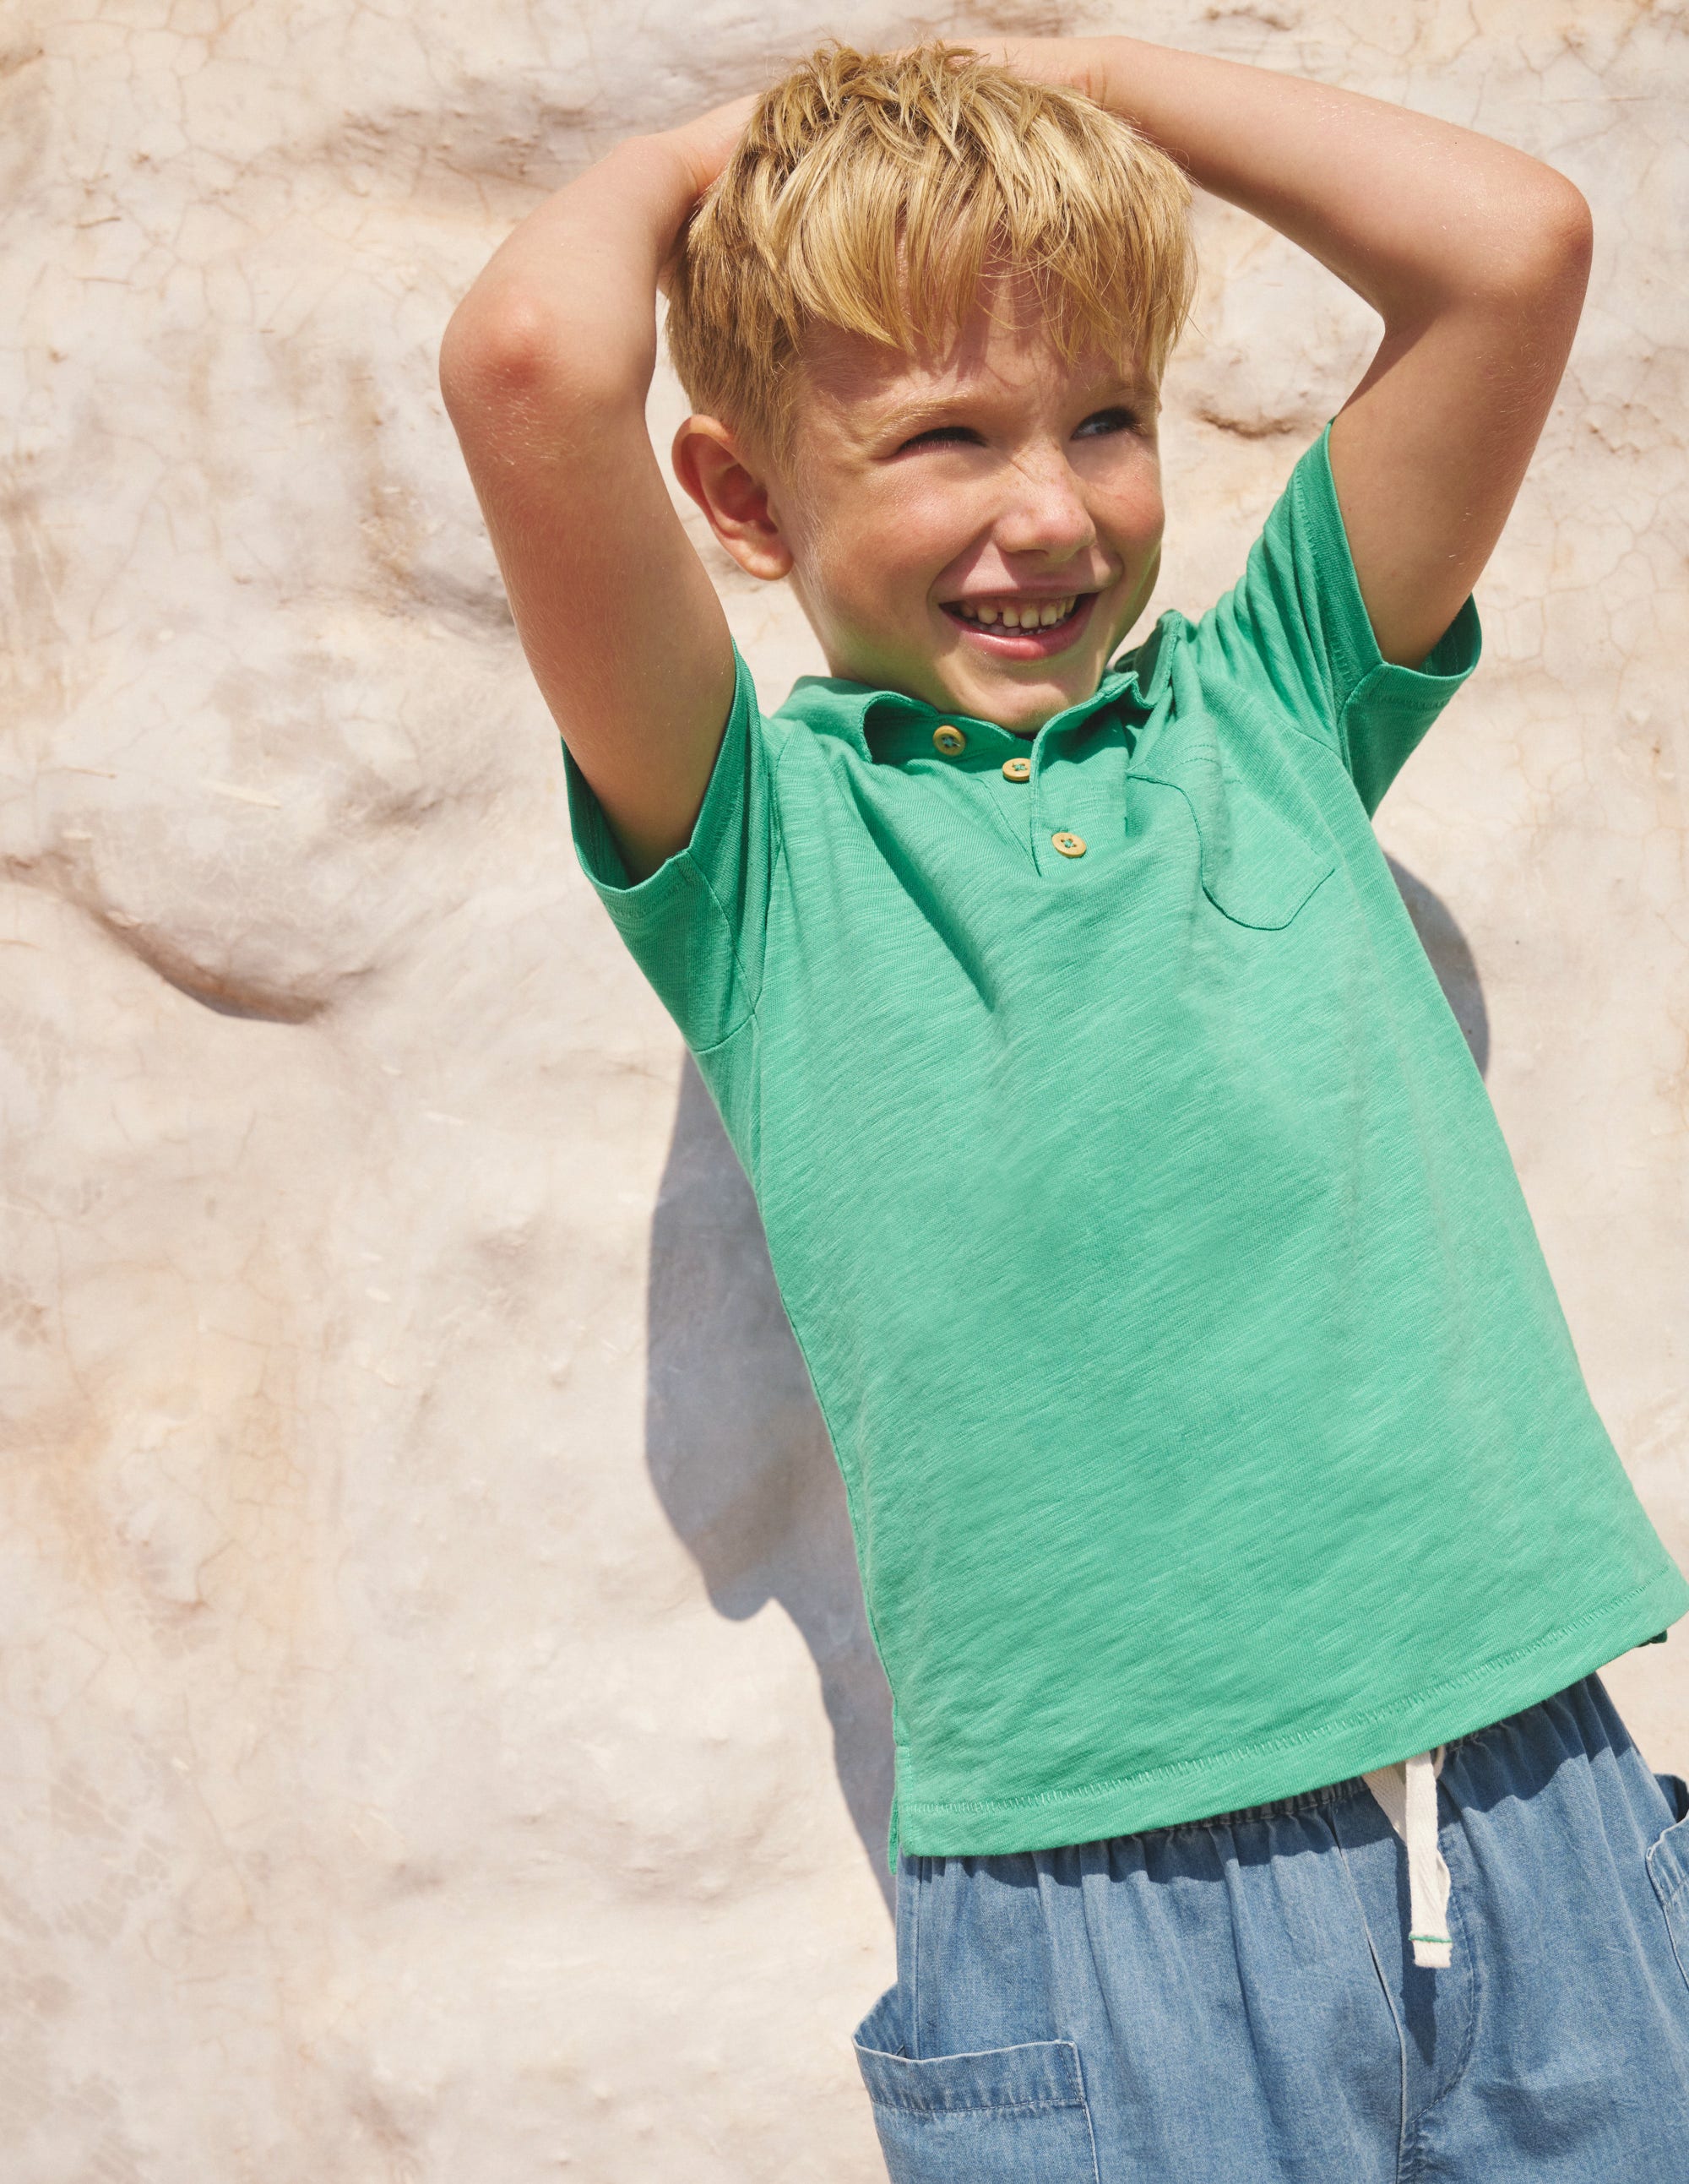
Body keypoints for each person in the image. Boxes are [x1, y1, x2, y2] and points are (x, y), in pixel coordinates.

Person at [438, 34, 1689, 2181]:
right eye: (942, 436)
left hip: (1534, 1811)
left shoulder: (1275, 702)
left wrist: (1061, 74)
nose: (1050, 509)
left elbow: (1512, 249)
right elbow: (536, 364)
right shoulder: (760, 852)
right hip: (1099, 1928)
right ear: (740, 501)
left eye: (1102, 417)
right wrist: (705, 147)